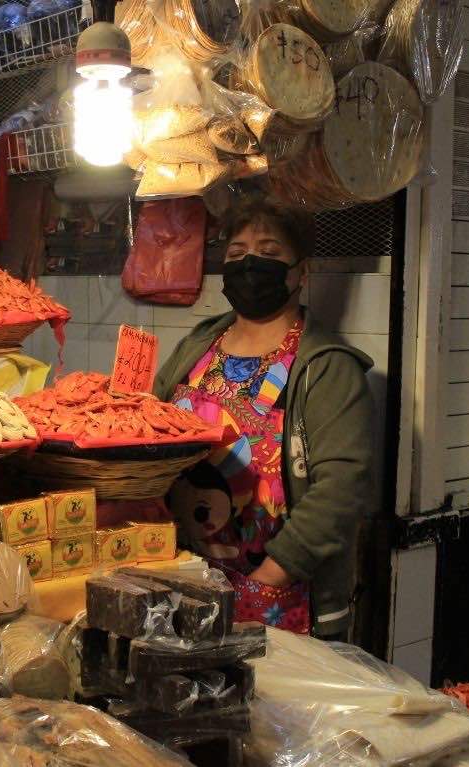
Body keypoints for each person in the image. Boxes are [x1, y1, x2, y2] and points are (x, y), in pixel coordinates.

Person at [154, 199, 374, 639]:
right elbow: (148, 431)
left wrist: (270, 578)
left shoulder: (326, 366)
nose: (250, 264)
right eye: (236, 254)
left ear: (300, 272)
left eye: (269, 254)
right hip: (181, 582)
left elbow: (341, 489)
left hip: (279, 596)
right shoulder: (197, 348)